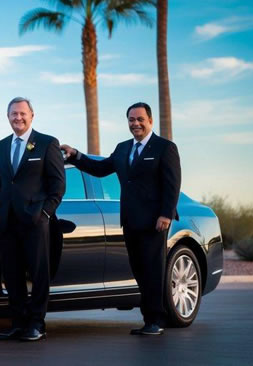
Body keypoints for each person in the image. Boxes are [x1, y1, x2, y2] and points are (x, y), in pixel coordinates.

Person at [60, 102, 181, 336]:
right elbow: (100, 168)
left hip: (155, 222)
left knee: (153, 270)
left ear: (150, 121)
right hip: (130, 220)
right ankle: (150, 320)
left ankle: (156, 319)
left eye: (139, 119)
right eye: (131, 120)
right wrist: (75, 156)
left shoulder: (164, 148)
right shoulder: (123, 148)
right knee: (139, 270)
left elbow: (172, 183)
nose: (135, 124)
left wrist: (166, 214)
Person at [0, 97, 65, 341]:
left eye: (22, 114)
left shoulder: (47, 144)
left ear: (32, 115)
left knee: (39, 274)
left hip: (36, 221)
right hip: (7, 219)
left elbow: (58, 185)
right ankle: (18, 322)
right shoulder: (1, 146)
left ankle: (37, 324)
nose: (18, 118)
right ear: (7, 117)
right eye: (13, 114)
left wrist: (45, 214)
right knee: (12, 274)